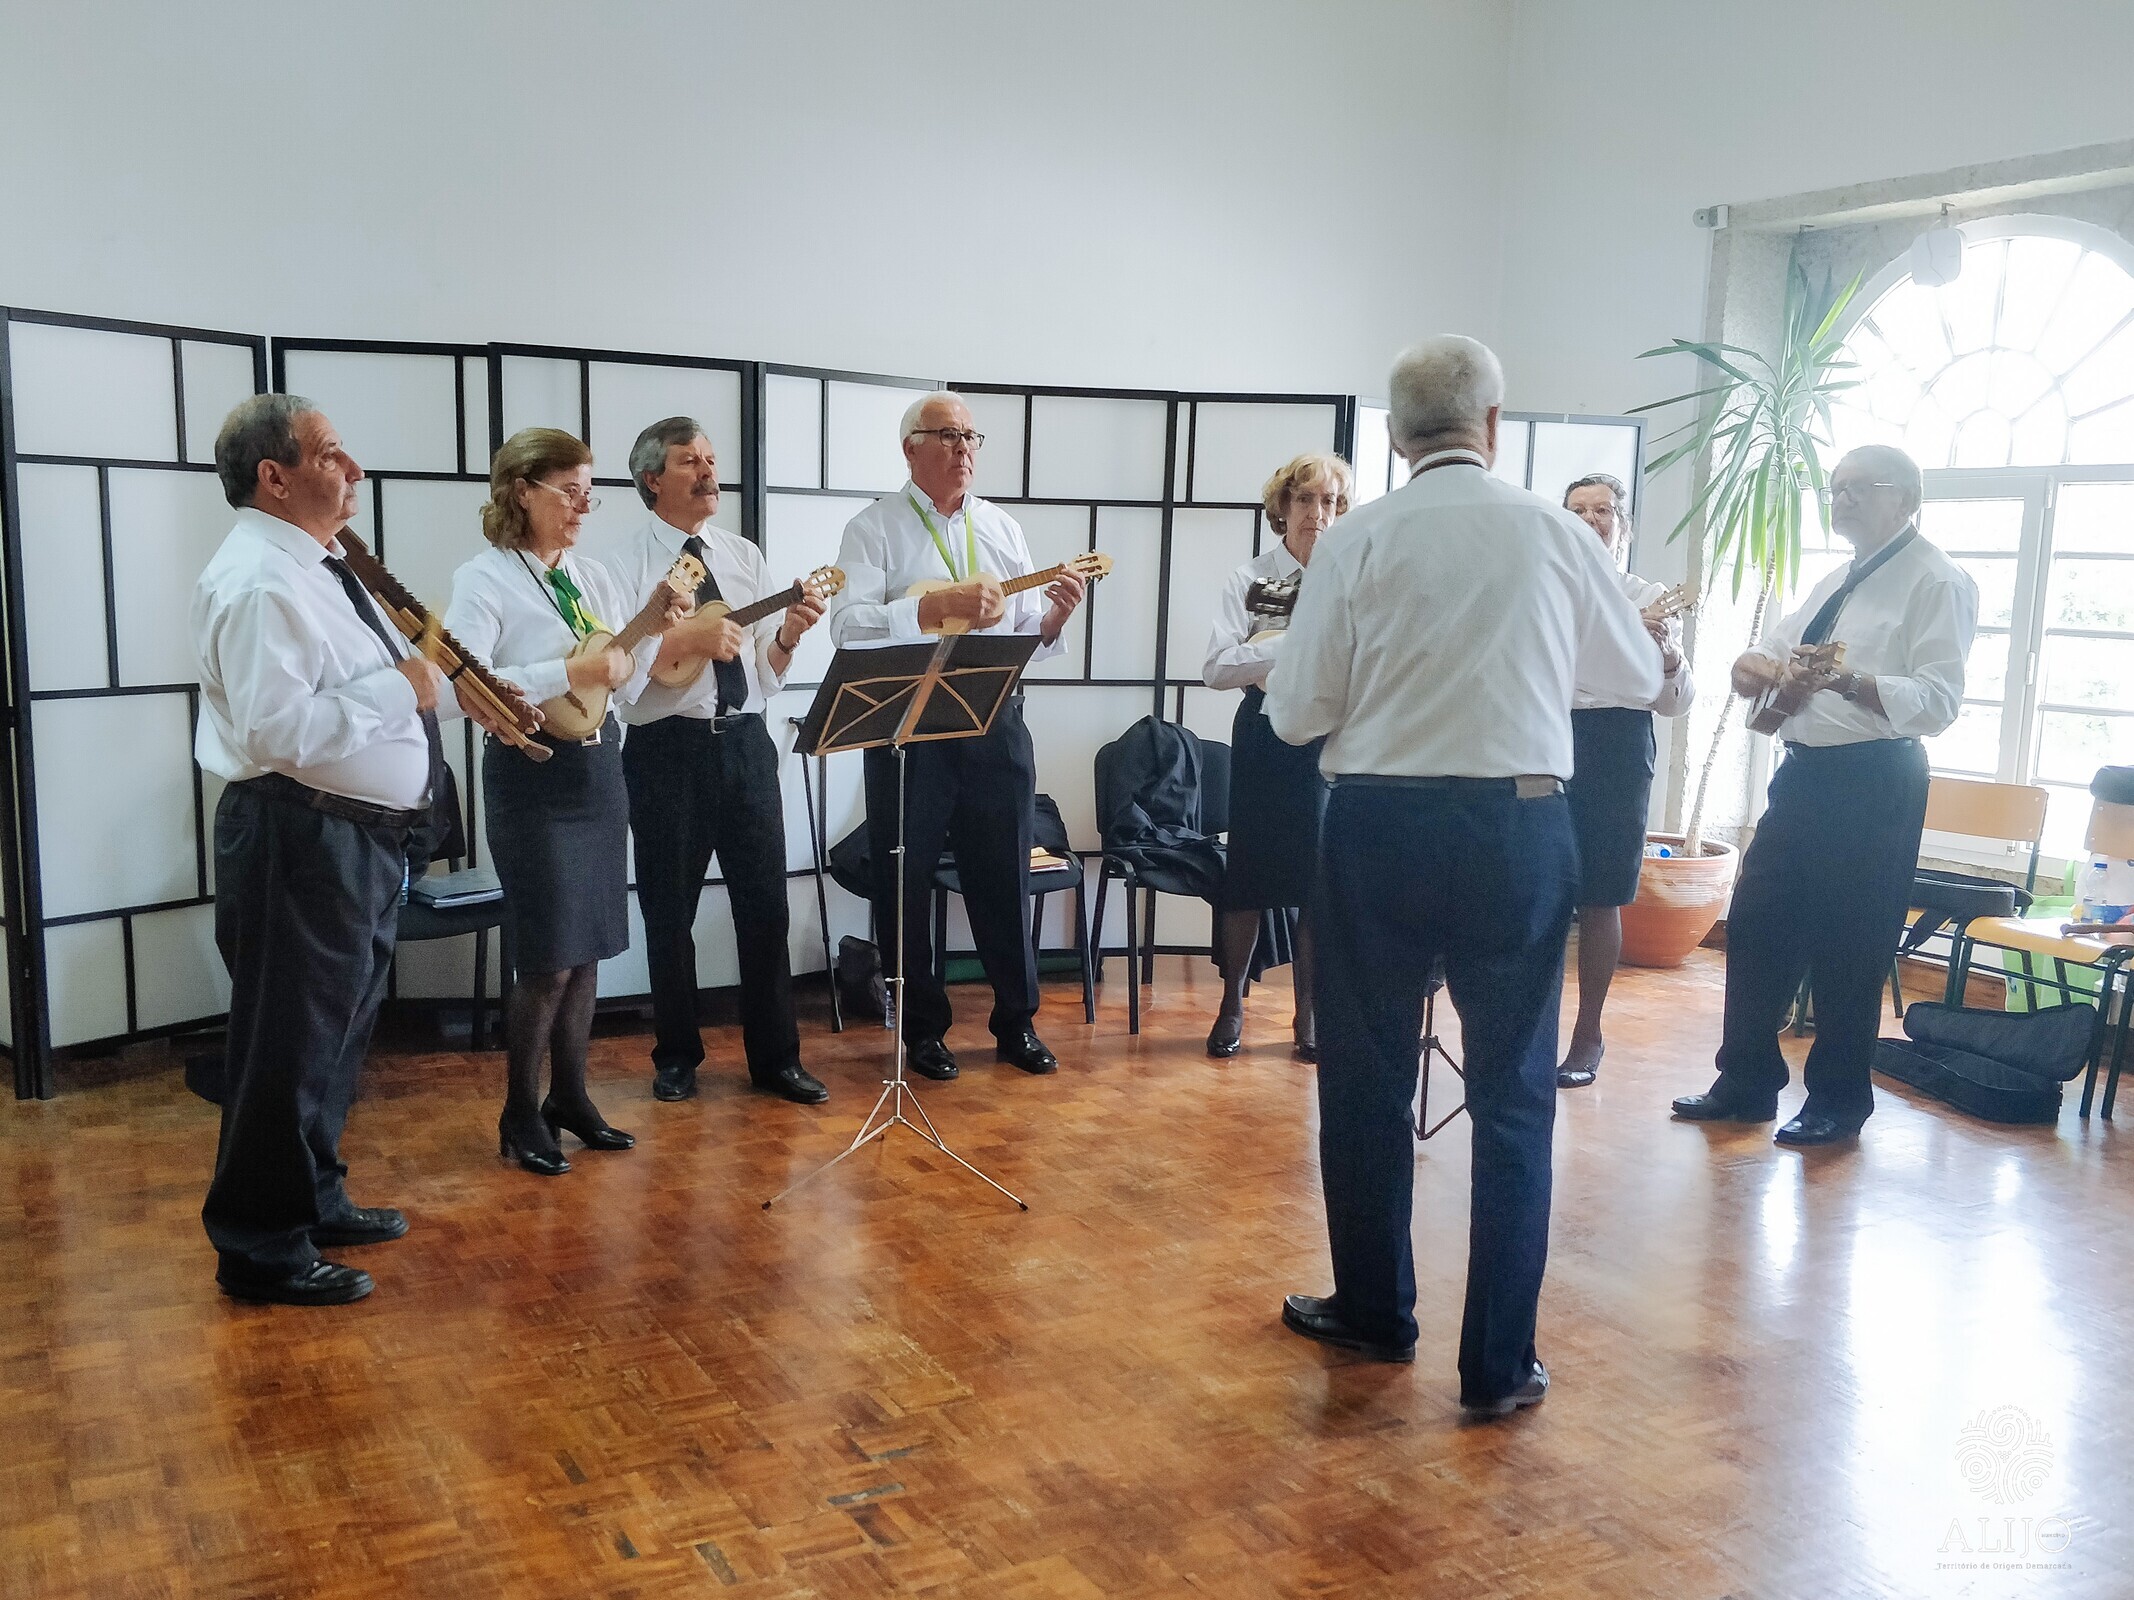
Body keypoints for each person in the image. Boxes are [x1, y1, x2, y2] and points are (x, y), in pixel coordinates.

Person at [1264, 337, 1662, 1413]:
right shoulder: (1555, 531)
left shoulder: (1354, 539)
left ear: (1396, 436)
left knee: (1365, 1081)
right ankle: (1496, 1366)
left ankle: (1375, 1311)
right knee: (1514, 1095)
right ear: (1493, 422)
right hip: (1518, 825)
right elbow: (1634, 677)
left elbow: (1295, 713)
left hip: (1376, 825)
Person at [194, 394, 513, 1304]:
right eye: (332, 453)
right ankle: (260, 1247)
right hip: (299, 834)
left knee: (334, 1040)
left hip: (354, 838)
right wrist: (406, 685)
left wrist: (450, 691)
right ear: (275, 475)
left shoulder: (323, 566)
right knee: (287, 1048)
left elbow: (384, 694)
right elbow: (275, 731)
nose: (354, 469)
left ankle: (315, 1198)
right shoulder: (262, 580)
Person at [1672, 444, 1976, 1145]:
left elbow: (1939, 701)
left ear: (1907, 499)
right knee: (1757, 925)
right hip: (1805, 776)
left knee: (1851, 942)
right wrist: (1752, 665)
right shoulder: (1838, 579)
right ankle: (1746, 1082)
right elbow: (1775, 651)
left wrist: (1850, 683)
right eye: (1835, 489)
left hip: (1876, 779)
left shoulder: (1937, 580)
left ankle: (1838, 1102)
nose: (1842, 500)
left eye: (1860, 488)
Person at [828, 391, 1087, 1081]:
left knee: (1003, 871)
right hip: (908, 724)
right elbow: (847, 627)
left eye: (971, 437)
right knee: (904, 878)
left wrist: (1054, 620)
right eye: (947, 435)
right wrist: (929, 607)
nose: (963, 448)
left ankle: (1016, 1022)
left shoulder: (1001, 526)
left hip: (995, 719)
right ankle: (921, 1031)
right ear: (910, 447)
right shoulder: (873, 528)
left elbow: (1024, 634)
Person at [445, 428, 684, 1174]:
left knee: (587, 954)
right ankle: (519, 1111)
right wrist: (570, 670)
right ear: (523, 491)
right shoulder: (485, 579)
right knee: (548, 957)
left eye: (589, 493)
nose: (583, 506)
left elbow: (622, 686)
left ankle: (571, 1098)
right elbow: (467, 684)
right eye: (569, 492)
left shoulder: (591, 577)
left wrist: (650, 636)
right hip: (531, 774)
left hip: (598, 769)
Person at [596, 417, 828, 1106]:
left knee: (766, 909)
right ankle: (676, 1056)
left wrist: (788, 635)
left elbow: (765, 674)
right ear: (652, 479)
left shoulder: (742, 555)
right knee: (670, 913)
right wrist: (686, 639)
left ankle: (776, 1059)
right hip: (666, 749)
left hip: (747, 743)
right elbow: (620, 674)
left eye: (710, 459)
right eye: (688, 461)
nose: (707, 472)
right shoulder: (622, 565)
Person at [1200, 452, 1353, 1061]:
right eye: (1307, 499)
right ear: (1283, 507)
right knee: (1249, 876)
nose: (1319, 513)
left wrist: (1272, 650)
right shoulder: (1251, 578)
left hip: (1329, 740)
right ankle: (1231, 1003)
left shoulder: (1351, 577)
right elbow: (1217, 667)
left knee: (1318, 883)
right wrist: (1292, 645)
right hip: (1263, 736)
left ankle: (1307, 1014)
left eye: (1331, 502)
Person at [1556, 473, 1695, 1087]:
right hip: (1548, 733)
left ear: (1624, 527)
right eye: (1578, 511)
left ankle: (1588, 1033)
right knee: (1537, 888)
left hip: (1617, 742)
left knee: (1602, 891)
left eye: (1603, 511)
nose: (1591, 520)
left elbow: (1674, 702)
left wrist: (1667, 656)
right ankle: (1529, 1032)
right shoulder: (1544, 588)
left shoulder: (1650, 597)